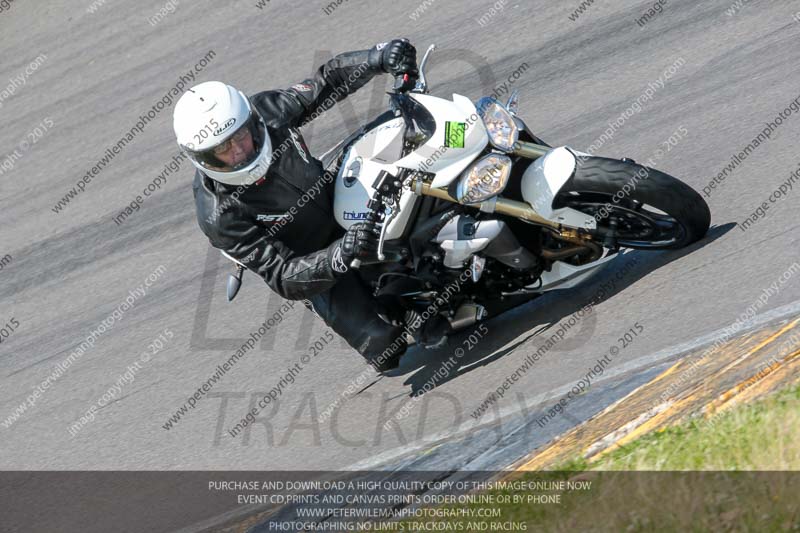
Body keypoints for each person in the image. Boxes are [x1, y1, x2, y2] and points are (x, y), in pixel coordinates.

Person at [173, 39, 436, 372]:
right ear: (203, 158)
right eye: (223, 149)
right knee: (383, 346)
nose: (238, 151)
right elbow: (282, 276)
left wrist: (377, 57)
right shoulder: (218, 214)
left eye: (240, 136)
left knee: (412, 145)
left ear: (251, 121)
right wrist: (339, 255)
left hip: (339, 195)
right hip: (313, 259)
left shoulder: (267, 113)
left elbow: (326, 82)